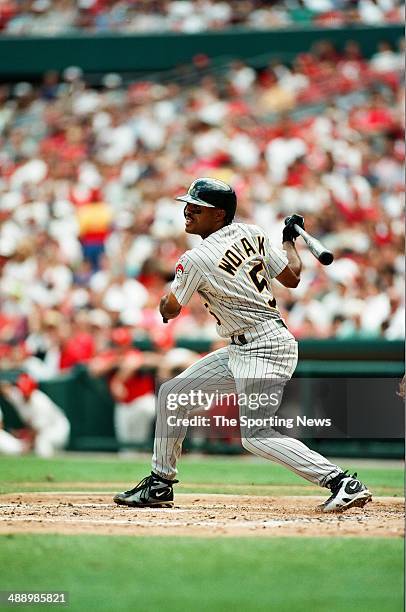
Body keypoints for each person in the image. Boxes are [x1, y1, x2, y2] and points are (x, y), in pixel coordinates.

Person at [114, 177, 372, 513]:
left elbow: (171, 309)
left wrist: (166, 295)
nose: (188, 211)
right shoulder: (253, 232)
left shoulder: (196, 258)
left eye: (198, 207)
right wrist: (288, 242)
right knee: (174, 396)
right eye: (188, 205)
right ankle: (161, 484)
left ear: (219, 215)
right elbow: (292, 276)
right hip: (246, 345)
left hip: (263, 347)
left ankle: (341, 482)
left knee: (255, 435)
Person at [1, 373, 70, 457]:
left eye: (27, 392)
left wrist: (27, 443)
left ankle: (50, 467)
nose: (25, 395)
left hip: (57, 429)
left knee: (42, 443)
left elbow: (37, 431)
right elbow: (5, 389)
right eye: (23, 392)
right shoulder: (17, 395)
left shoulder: (40, 403)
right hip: (43, 429)